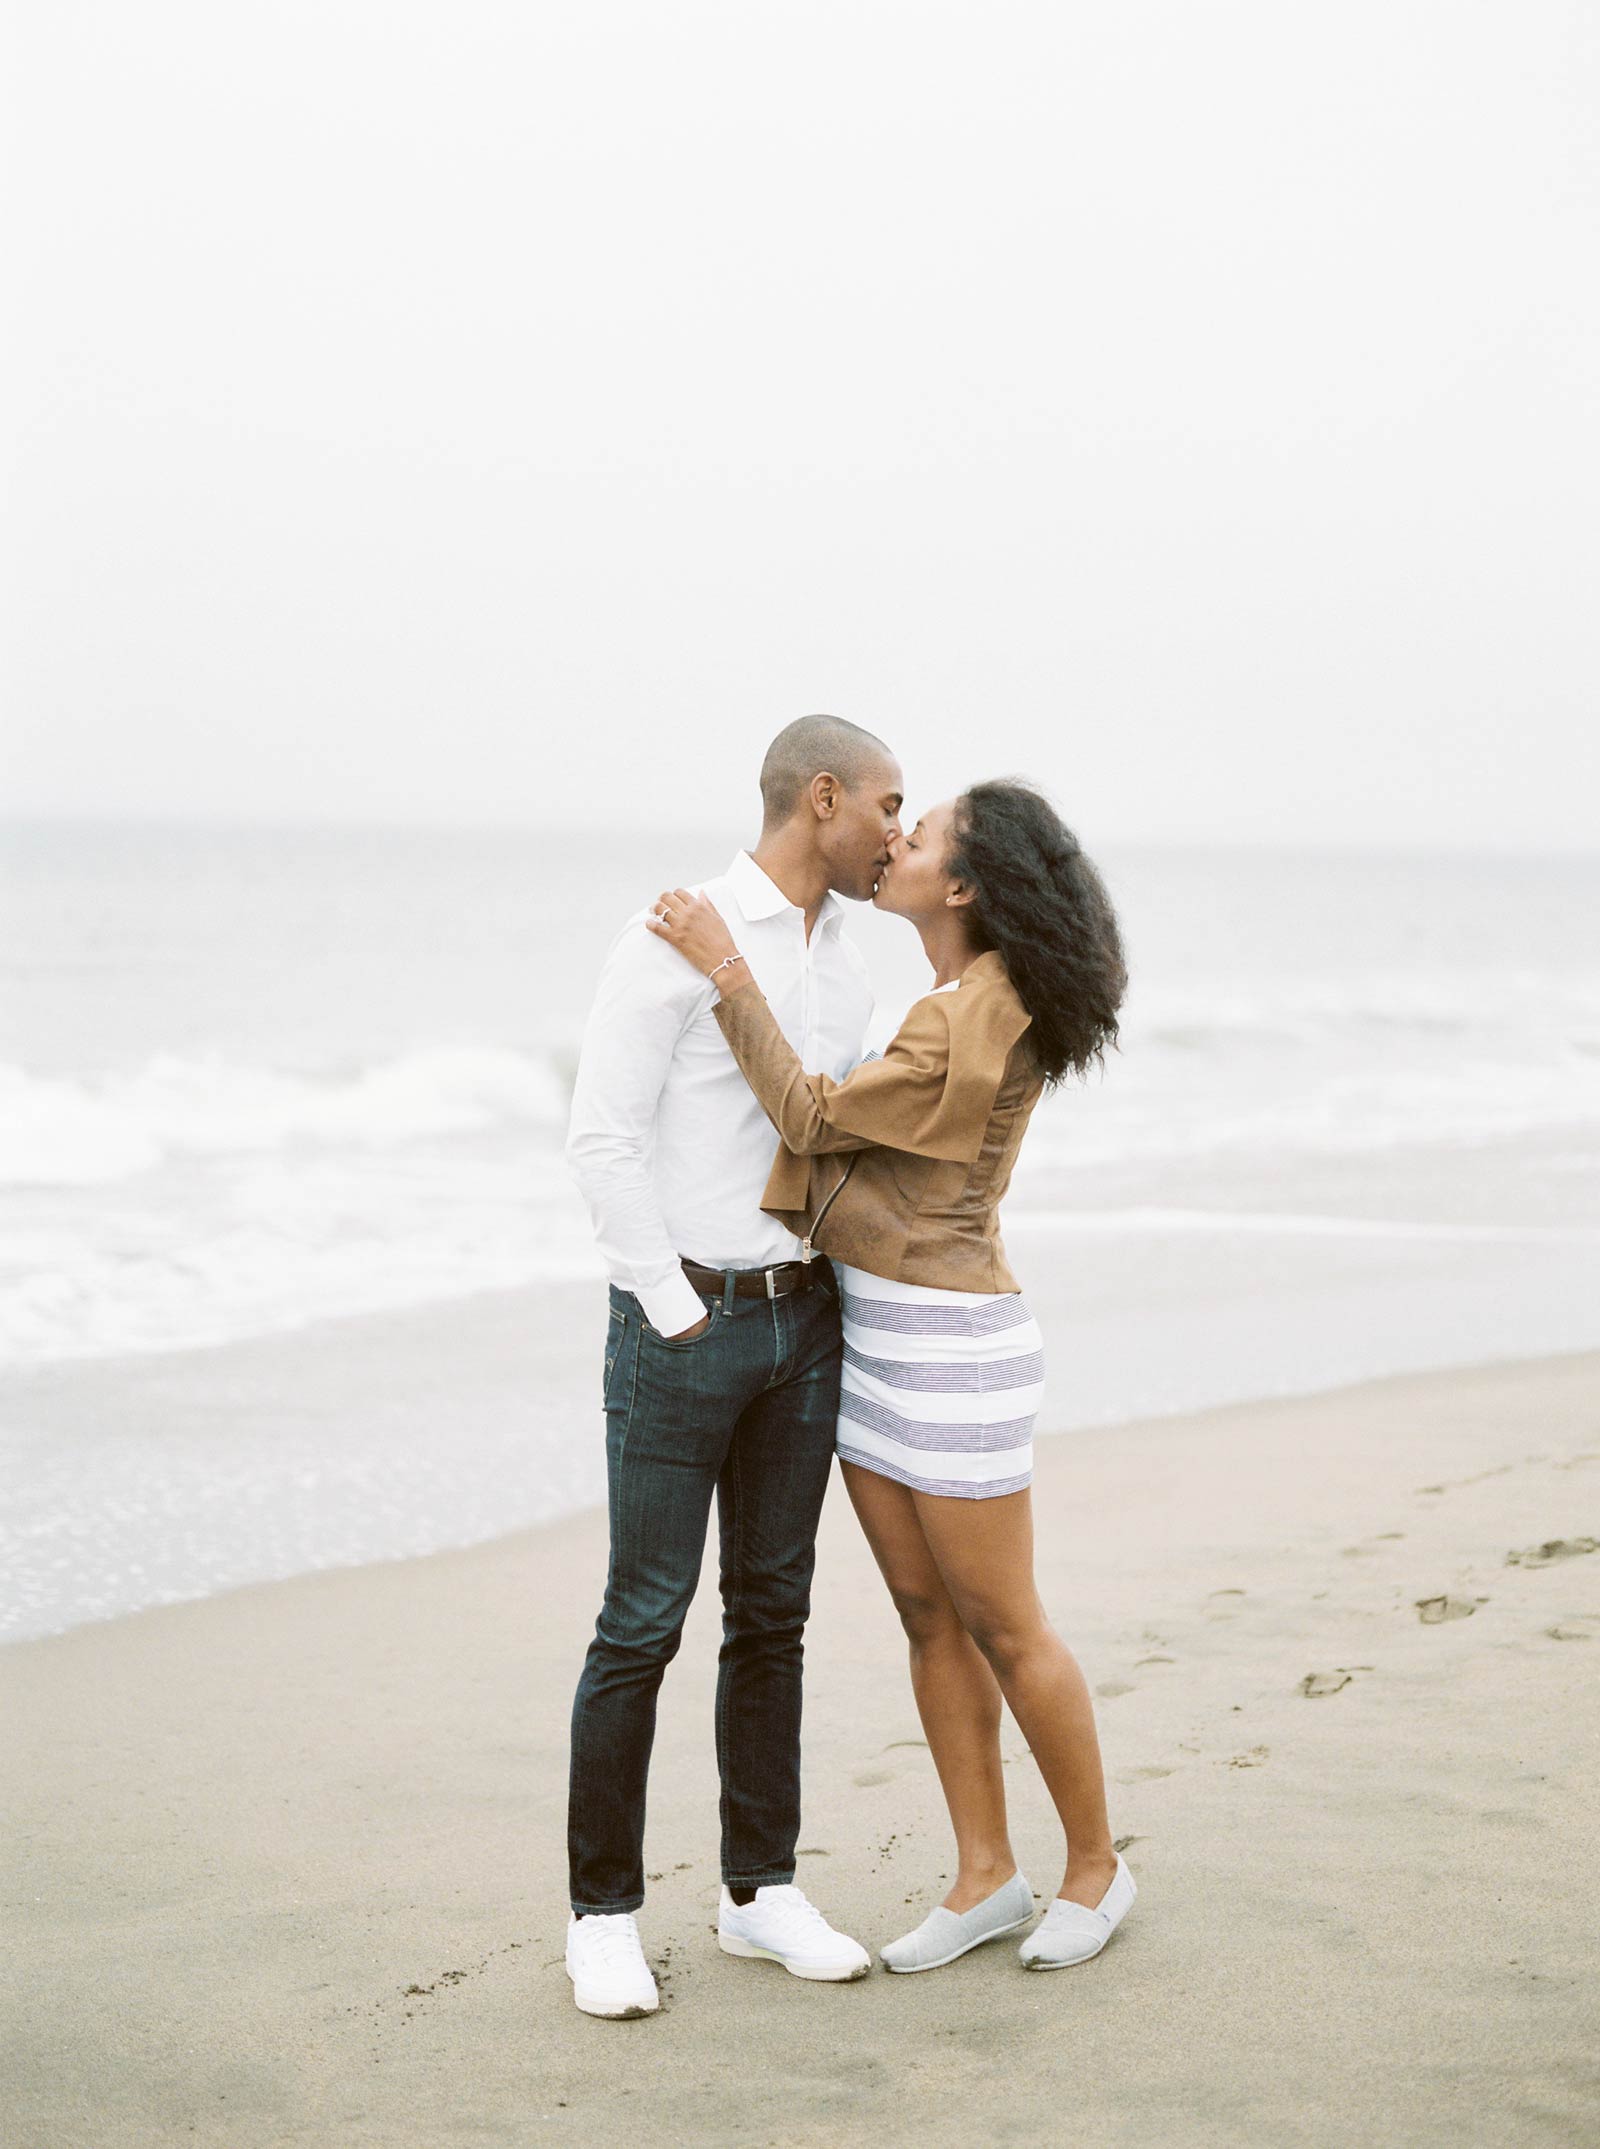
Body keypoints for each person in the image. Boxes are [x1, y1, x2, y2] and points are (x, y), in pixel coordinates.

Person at [646, 778, 1136, 1975]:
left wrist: (729, 971)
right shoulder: (957, 996)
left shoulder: (968, 1013)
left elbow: (811, 1121)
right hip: (880, 1337)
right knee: (928, 1617)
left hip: (953, 1353)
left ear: (961, 885)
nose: (895, 842)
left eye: (918, 835)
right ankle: (984, 1875)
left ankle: (1094, 1867)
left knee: (1004, 1625)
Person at [562, 715, 904, 2019]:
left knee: (772, 1616)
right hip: (684, 1325)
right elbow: (602, 1138)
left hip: (802, 1323)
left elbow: (817, 1139)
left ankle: (760, 1891)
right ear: (822, 798)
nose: (897, 826)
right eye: (886, 800)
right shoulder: (680, 930)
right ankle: (602, 1915)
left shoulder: (842, 963)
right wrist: (671, 1307)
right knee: (641, 1622)